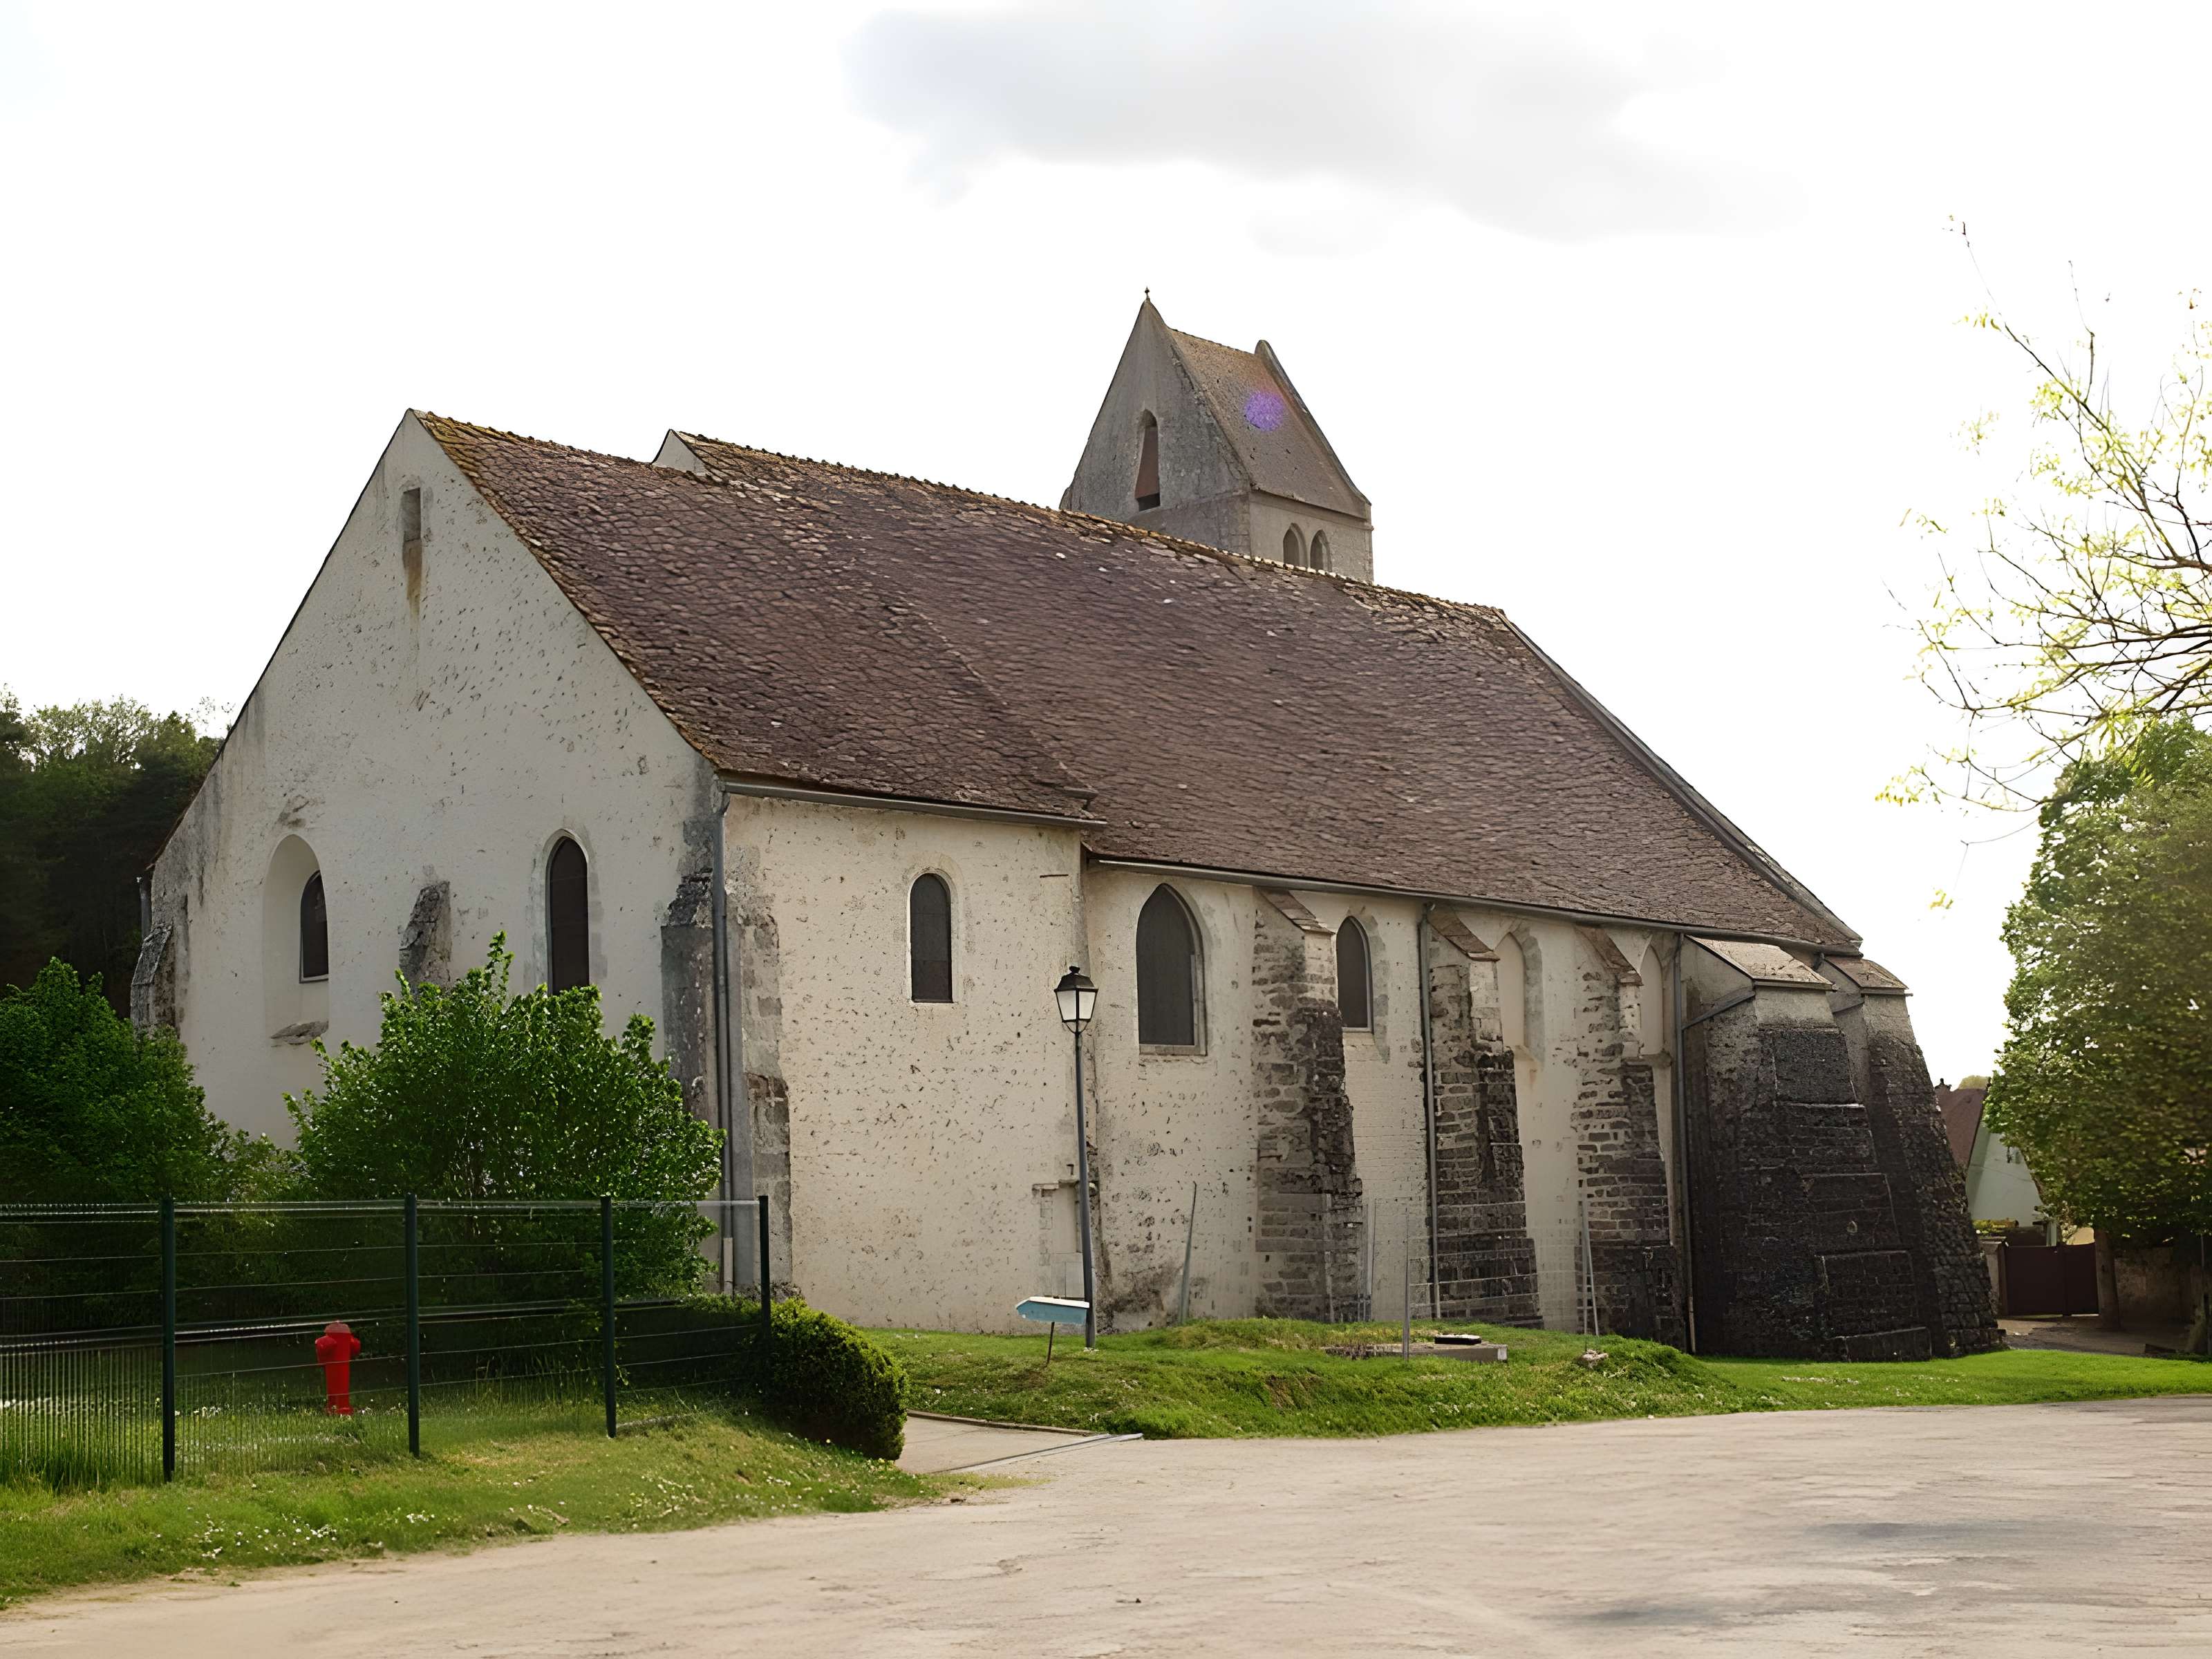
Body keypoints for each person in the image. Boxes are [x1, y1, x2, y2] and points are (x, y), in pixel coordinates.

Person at [314, 1319, 362, 1415]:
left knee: (333, 1385)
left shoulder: (328, 1340)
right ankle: (341, 1406)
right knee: (341, 1384)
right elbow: (356, 1347)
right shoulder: (347, 1338)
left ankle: (333, 1406)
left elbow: (321, 1347)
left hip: (331, 1369)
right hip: (343, 1368)